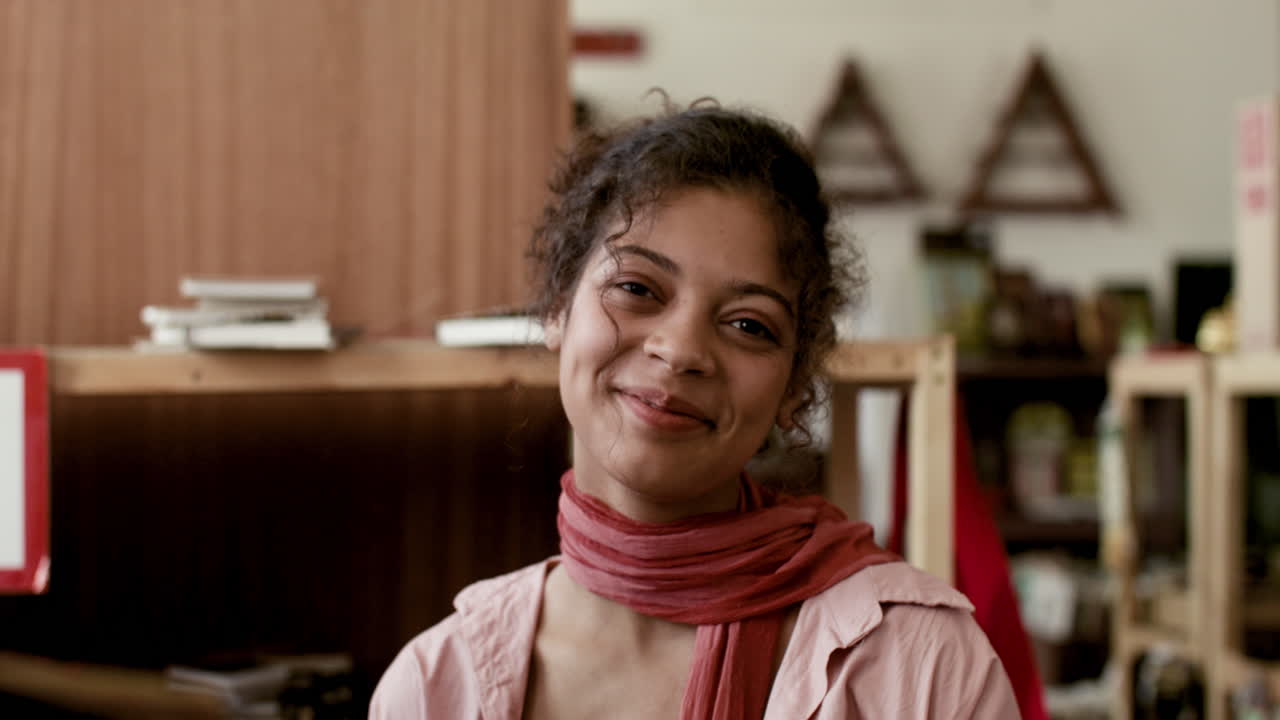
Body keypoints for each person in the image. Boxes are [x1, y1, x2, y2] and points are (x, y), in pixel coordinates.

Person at [371, 101, 1020, 719]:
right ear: (556, 311)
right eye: (636, 288)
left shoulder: (921, 671)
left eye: (748, 325)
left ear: (794, 388)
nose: (681, 350)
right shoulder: (436, 687)